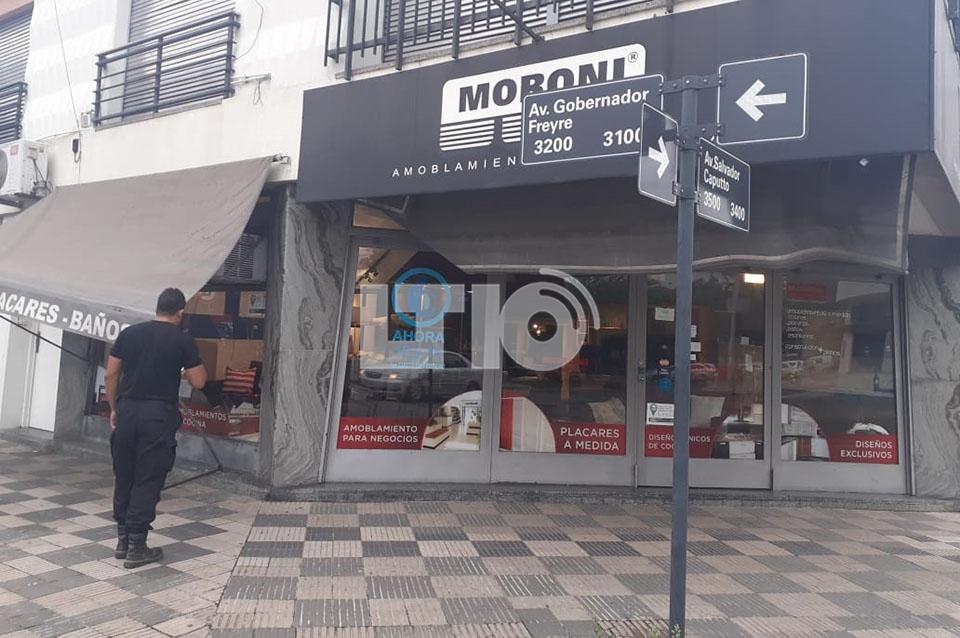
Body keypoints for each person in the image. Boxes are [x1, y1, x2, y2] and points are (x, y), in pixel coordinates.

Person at [105, 288, 207, 569]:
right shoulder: (182, 339)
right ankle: (137, 546)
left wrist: (113, 408)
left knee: (124, 473)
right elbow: (199, 381)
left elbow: (111, 373)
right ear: (180, 312)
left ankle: (123, 540)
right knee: (148, 476)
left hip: (127, 411)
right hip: (157, 416)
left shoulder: (129, 334)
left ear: (157, 307)